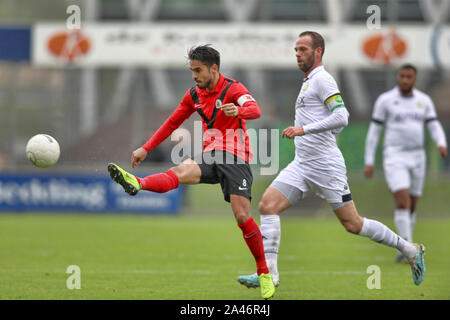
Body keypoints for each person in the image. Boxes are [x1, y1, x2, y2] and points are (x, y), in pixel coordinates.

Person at [237, 31, 426, 290]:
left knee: (353, 223)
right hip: (302, 164)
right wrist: (311, 132)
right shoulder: (307, 82)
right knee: (268, 206)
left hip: (326, 166)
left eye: (303, 49)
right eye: (296, 49)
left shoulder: (323, 80)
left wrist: (303, 130)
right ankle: (270, 276)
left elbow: (342, 117)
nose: (298, 54)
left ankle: (409, 249)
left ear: (318, 52)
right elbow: (330, 122)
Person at [107, 45, 275, 299]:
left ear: (214, 68)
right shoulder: (194, 94)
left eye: (198, 70)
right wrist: (145, 148)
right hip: (210, 155)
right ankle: (138, 183)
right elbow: (172, 121)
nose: (194, 76)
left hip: (235, 157)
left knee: (242, 216)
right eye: (192, 70)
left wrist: (238, 110)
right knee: (180, 170)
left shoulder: (233, 88)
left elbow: (255, 110)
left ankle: (264, 274)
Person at [364, 64, 447, 263]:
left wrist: (441, 143)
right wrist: (369, 160)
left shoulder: (423, 101)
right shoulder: (386, 100)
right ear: (398, 77)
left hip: (418, 156)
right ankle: (407, 248)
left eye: (409, 77)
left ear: (414, 79)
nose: (405, 80)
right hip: (394, 155)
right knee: (402, 200)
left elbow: (433, 124)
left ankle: (403, 247)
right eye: (402, 76)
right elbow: (374, 131)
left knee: (412, 204)